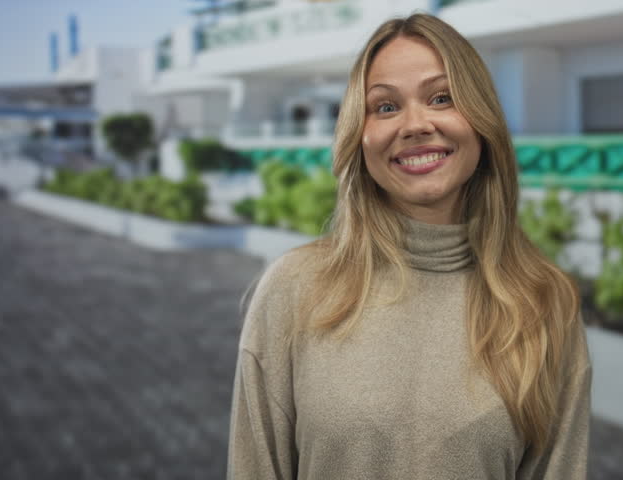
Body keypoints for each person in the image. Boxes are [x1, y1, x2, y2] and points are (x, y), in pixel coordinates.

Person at [227, 13, 591, 480]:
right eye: (385, 107)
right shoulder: (294, 289)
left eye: (442, 98)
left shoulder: (545, 303)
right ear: (360, 136)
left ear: (482, 122)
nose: (415, 125)